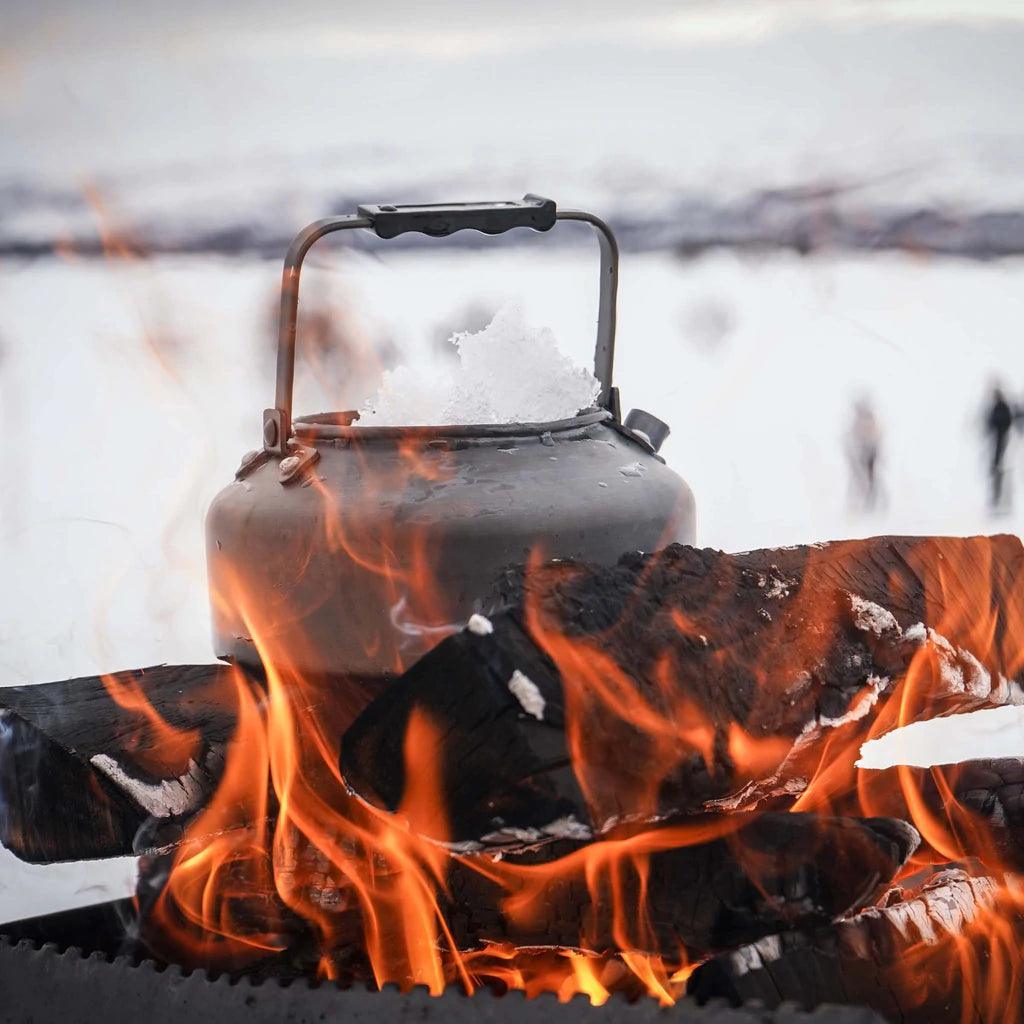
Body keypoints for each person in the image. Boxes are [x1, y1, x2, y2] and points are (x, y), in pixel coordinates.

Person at [846, 398, 882, 511]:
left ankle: (869, 500)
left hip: (869, 450)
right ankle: (863, 499)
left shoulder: (867, 419)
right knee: (861, 476)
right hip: (865, 450)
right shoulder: (862, 419)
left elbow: (874, 434)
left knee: (867, 477)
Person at [985, 383, 1014, 511]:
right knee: (996, 464)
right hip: (997, 438)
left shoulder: (1002, 406)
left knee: (998, 463)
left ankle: (999, 497)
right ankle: (996, 497)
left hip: (1002, 438)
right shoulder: (997, 407)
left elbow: (1006, 421)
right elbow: (992, 421)